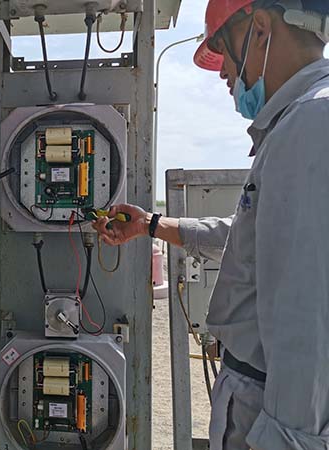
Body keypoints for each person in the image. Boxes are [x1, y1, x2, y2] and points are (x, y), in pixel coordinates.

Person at [94, 1, 329, 449]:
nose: (222, 71)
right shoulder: (300, 122)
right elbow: (246, 237)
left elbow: (310, 321)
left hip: (271, 415)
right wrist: (150, 224)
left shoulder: (312, 123)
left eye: (221, 48)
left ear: (261, 29)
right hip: (259, 399)